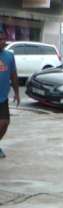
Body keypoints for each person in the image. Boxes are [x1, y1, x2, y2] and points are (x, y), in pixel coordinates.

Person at [0, 30, 20, 159]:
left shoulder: (9, 56)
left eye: (3, 39)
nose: (2, 42)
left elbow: (13, 74)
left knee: (5, 123)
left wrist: (17, 92)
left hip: (2, 97)